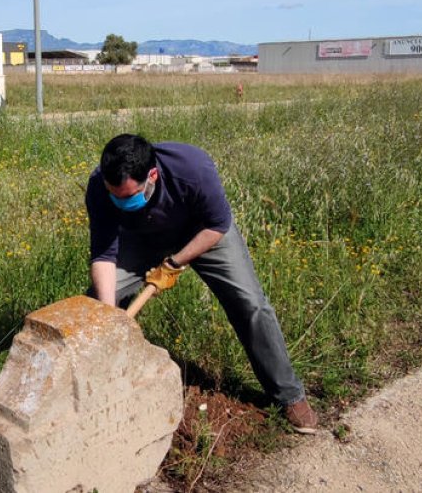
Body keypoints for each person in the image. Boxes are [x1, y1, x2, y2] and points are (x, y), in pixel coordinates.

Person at [86, 133, 319, 433]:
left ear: (152, 176)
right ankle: (102, 382)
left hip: (203, 233)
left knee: (251, 304)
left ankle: (288, 395)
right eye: (114, 195)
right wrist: (109, 315)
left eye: (128, 196)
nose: (119, 200)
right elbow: (105, 254)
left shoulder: (192, 169)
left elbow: (217, 226)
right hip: (144, 238)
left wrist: (174, 263)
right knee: (97, 302)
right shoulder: (99, 186)